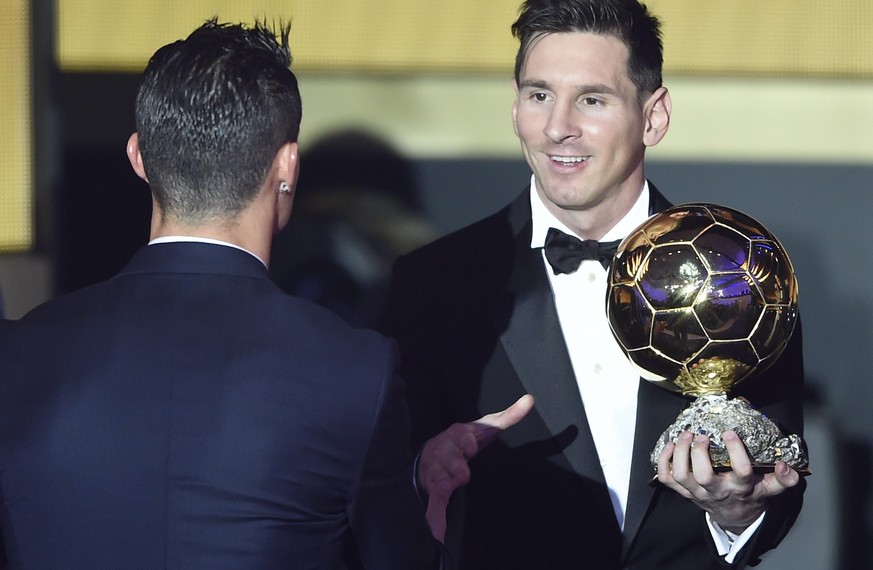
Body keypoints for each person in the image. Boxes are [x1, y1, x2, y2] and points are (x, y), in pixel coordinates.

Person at [0, 20, 445, 570]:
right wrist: (426, 491)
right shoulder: (354, 370)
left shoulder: (18, 355)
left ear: (139, 157)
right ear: (287, 166)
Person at [379, 0, 806, 568]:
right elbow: (374, 487)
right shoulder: (436, 283)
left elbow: (782, 472)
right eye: (539, 95)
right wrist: (419, 471)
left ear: (652, 117)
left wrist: (737, 515)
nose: (558, 127)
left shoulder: (741, 271)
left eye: (592, 99)